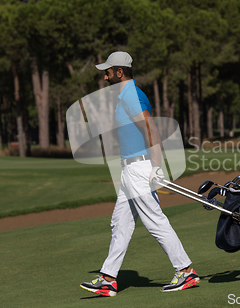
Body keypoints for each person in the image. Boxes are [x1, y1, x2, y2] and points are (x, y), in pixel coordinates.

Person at [80, 51, 199, 296]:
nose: (105, 76)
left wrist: (156, 165)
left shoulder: (130, 94)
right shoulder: (126, 93)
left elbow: (149, 127)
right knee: (120, 223)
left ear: (119, 72)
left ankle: (186, 272)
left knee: (154, 220)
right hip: (129, 169)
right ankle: (108, 279)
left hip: (139, 167)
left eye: (108, 71)